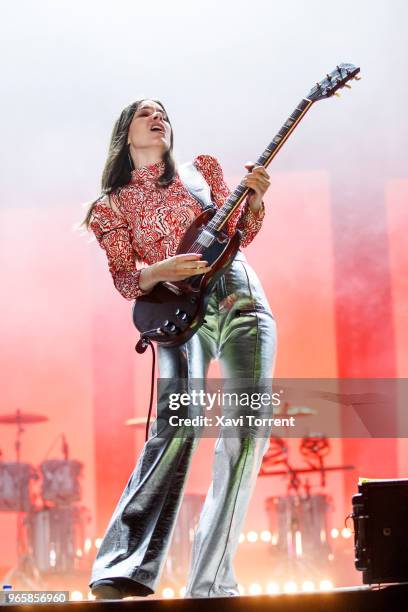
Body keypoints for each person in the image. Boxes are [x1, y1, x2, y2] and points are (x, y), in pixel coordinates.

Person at [82, 98, 277, 599]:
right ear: (127, 132)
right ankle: (122, 566)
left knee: (246, 431)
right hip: (173, 313)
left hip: (237, 296)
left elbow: (241, 236)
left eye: (164, 111)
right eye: (147, 112)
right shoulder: (110, 206)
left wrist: (253, 200)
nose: (159, 117)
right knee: (175, 428)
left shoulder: (202, 170)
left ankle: (211, 582)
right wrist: (159, 271)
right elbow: (126, 277)